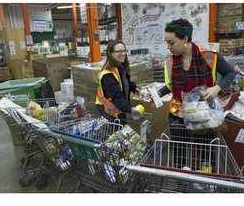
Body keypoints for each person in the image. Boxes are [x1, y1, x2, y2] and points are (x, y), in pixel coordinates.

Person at [157, 18, 236, 169]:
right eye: (167, 42)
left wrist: (217, 87)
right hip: (178, 114)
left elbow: (230, 74)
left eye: (171, 42)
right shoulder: (169, 63)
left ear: (185, 38)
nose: (168, 47)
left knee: (206, 150)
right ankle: (181, 181)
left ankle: (206, 181)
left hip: (204, 113)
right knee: (179, 151)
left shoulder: (210, 57)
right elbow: (170, 86)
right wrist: (156, 93)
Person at [95, 40, 140, 123]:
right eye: (119, 51)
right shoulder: (107, 75)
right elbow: (117, 97)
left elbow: (125, 83)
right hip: (109, 113)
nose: (123, 54)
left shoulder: (120, 67)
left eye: (124, 51)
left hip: (120, 108)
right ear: (110, 53)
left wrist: (134, 87)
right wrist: (132, 109)